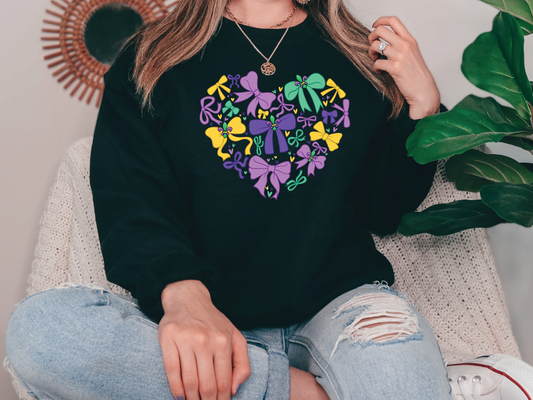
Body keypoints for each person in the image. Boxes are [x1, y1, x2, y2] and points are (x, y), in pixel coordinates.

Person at [6, 0, 456, 399]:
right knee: (42, 332)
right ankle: (300, 394)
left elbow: (383, 209)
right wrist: (185, 297)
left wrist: (423, 109)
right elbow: (130, 201)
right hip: (206, 316)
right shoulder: (148, 58)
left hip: (341, 304)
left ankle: (236, 387)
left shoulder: (364, 54)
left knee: (405, 382)